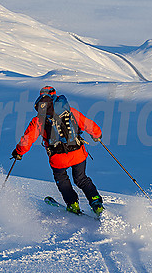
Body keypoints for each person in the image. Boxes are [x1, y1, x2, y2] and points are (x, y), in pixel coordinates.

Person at [12, 86, 105, 216]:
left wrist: (18, 152)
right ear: (54, 95)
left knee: (62, 180)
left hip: (57, 158)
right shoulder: (70, 111)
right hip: (78, 153)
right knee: (82, 179)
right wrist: (97, 135)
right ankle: (96, 202)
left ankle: (72, 204)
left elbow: (27, 139)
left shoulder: (39, 119)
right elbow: (88, 124)